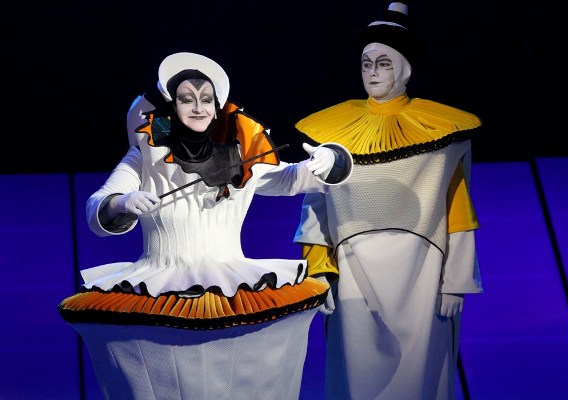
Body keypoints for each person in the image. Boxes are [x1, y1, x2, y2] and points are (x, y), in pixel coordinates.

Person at [58, 51, 352, 400]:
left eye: (206, 99)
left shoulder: (242, 156)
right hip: (160, 289)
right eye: (187, 99)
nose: (198, 107)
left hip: (234, 286)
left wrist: (328, 158)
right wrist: (121, 203)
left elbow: (293, 178)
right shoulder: (145, 155)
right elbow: (98, 206)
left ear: (216, 108)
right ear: (173, 106)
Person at [293, 3, 483, 399]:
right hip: (354, 269)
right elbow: (317, 206)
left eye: (384, 63)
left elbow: (458, 209)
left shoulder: (441, 133)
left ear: (405, 68)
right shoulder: (334, 133)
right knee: (357, 374)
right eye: (366, 64)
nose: (373, 73)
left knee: (420, 376)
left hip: (421, 271)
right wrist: (318, 270)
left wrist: (457, 281)